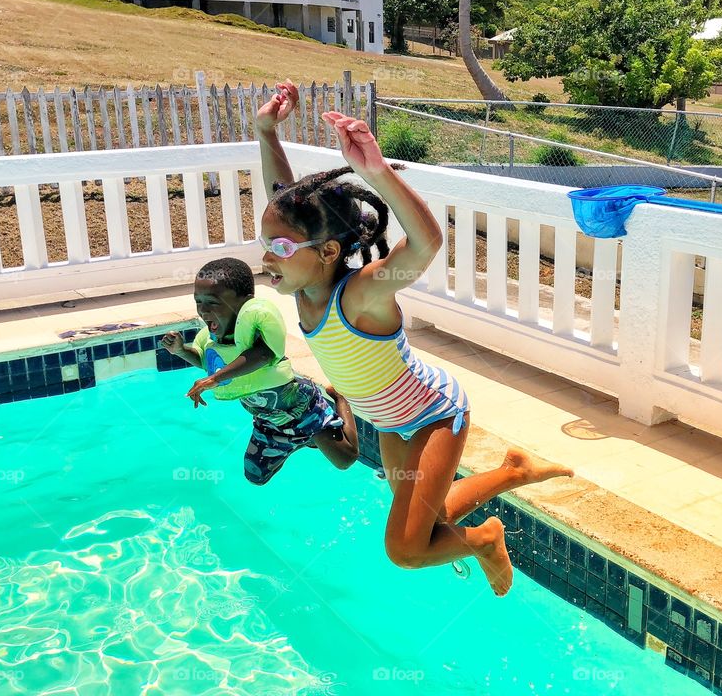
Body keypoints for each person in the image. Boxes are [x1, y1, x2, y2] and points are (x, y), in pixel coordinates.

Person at [215, 81, 572, 595]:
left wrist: (376, 173)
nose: (267, 257)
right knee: (426, 518)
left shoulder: (360, 295)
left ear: (329, 252)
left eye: (280, 246)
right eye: (265, 244)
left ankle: (487, 538)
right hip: (389, 422)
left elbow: (425, 243)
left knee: (406, 549)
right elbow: (281, 197)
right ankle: (514, 471)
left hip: (432, 415)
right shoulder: (302, 286)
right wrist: (266, 131)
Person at [162, 257, 359, 485]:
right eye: (199, 301)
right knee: (255, 475)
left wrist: (215, 379)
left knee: (345, 459)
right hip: (267, 418)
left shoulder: (254, 328)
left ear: (243, 302)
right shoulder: (213, 338)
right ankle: (301, 440)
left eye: (213, 302)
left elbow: (263, 355)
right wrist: (180, 350)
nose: (203, 310)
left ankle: (341, 400)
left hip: (299, 407)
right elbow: (207, 361)